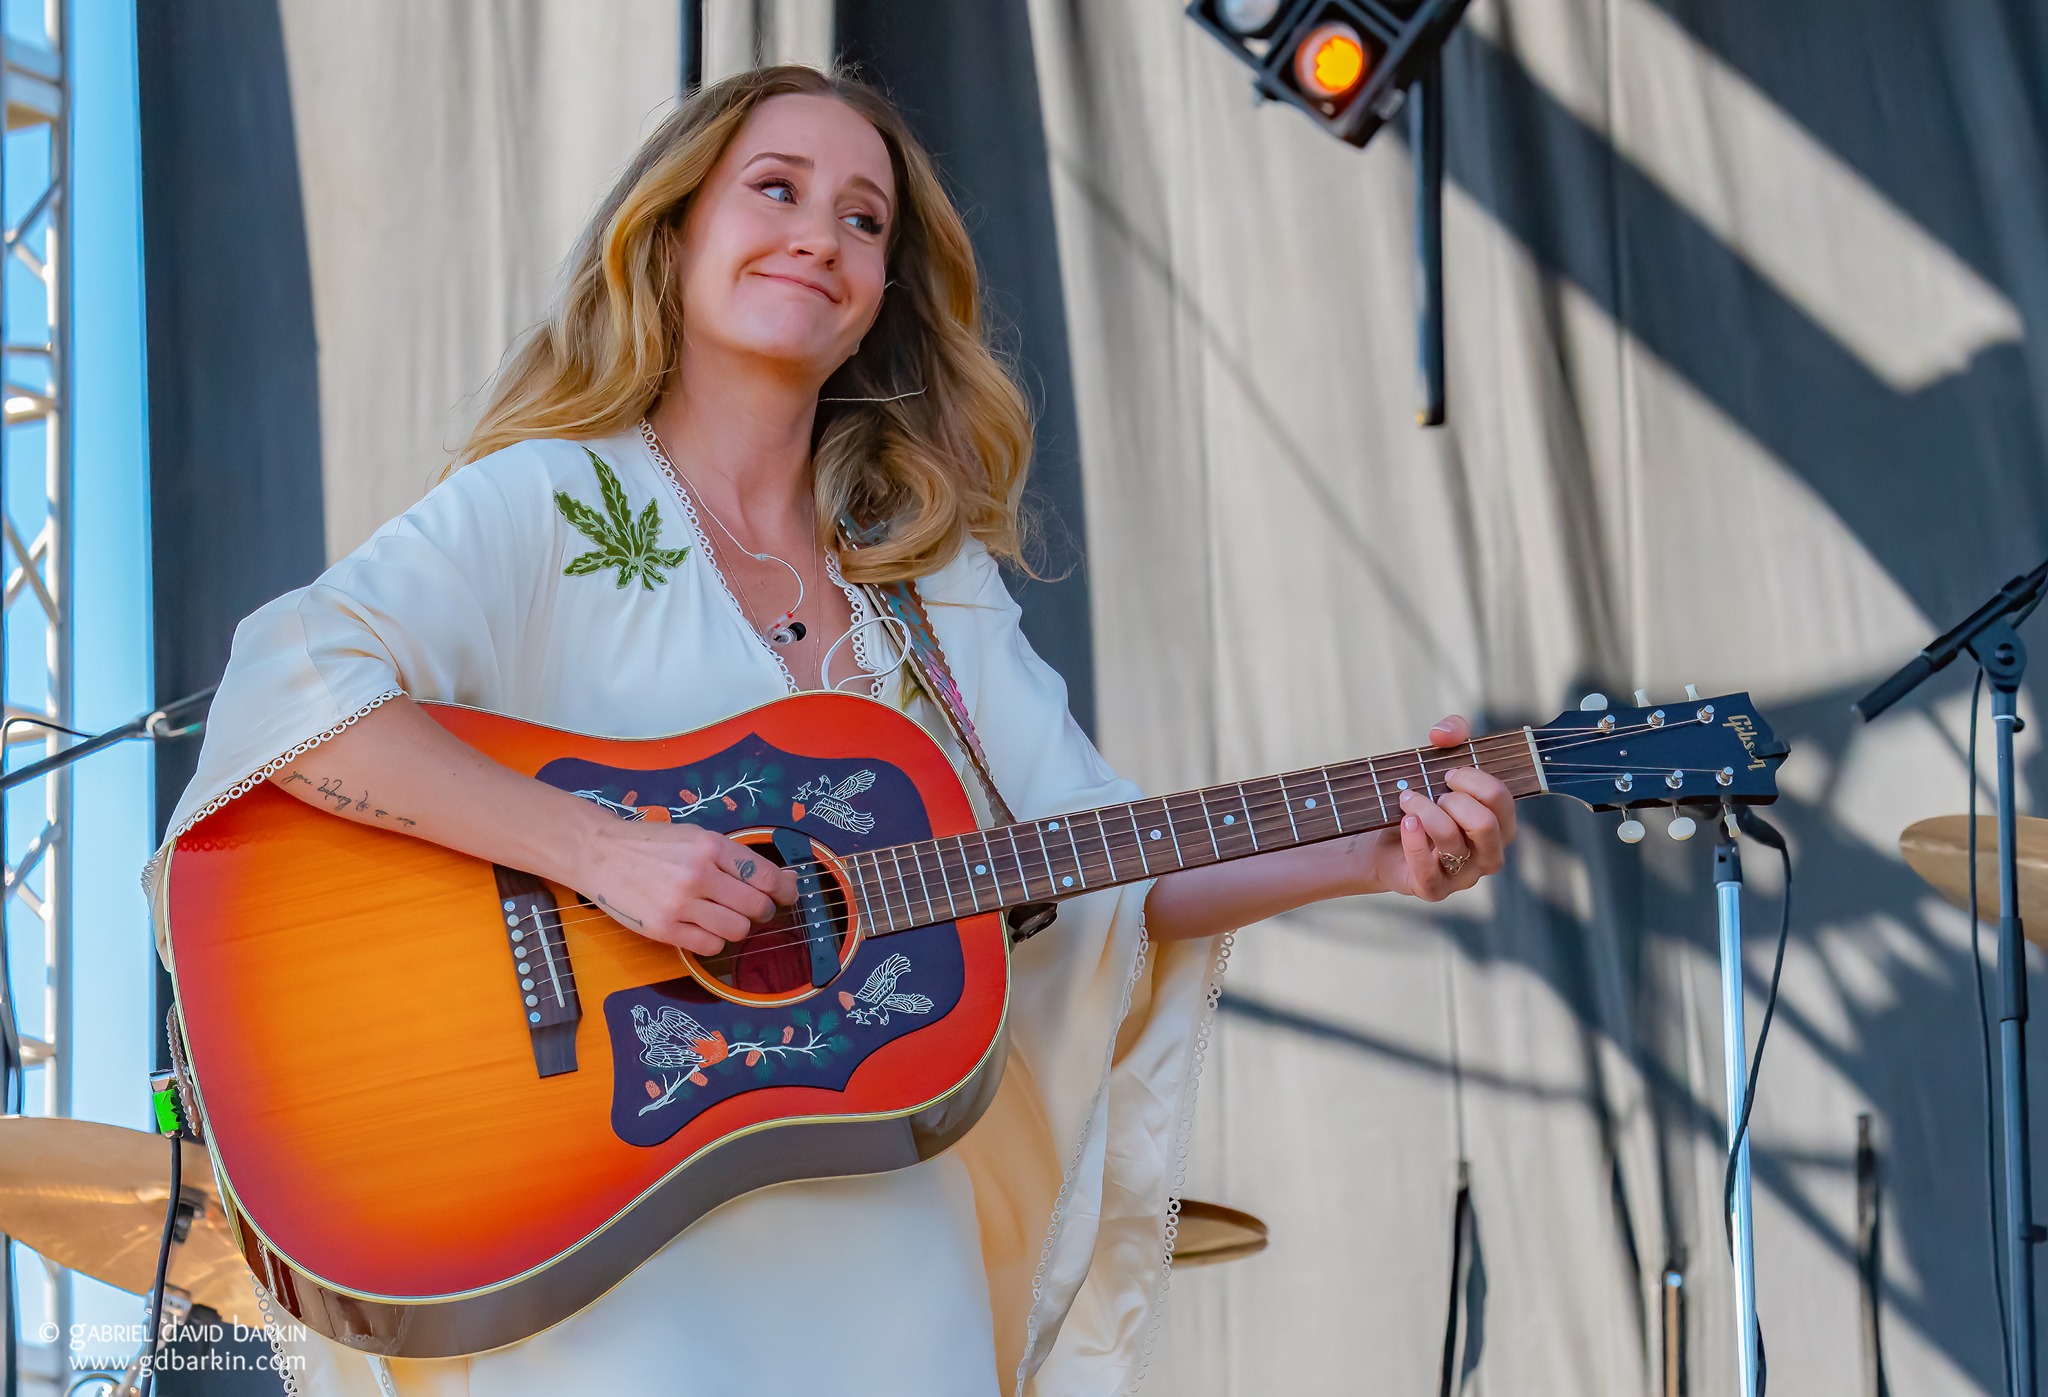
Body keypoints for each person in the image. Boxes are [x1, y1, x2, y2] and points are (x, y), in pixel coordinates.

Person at [146, 64, 1518, 1397]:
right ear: (673, 233)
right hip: (612, 1242)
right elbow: (293, 700)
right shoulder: (550, 505)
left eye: (865, 220)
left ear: (876, 303)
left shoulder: (923, 583)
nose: (822, 235)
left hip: (881, 1242)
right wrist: (604, 852)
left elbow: (1103, 873)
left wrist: (1372, 858)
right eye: (778, 189)